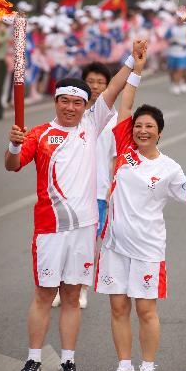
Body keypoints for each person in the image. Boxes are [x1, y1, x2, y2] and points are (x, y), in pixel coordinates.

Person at [5, 40, 146, 371]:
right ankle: (33, 358)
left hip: (84, 227)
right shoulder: (39, 135)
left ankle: (68, 360)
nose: (71, 107)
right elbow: (12, 166)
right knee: (43, 295)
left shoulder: (92, 124)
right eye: (64, 101)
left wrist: (131, 59)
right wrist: (13, 143)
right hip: (49, 228)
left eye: (77, 102)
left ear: (86, 106)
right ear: (56, 102)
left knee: (71, 296)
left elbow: (112, 89)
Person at [95, 43, 186, 371]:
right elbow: (126, 103)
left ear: (160, 131)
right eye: (138, 126)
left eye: (149, 127)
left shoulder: (170, 168)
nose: (142, 130)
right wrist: (137, 68)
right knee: (118, 309)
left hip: (147, 248)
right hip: (115, 245)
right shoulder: (125, 150)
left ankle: (147, 369)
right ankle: (125, 367)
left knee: (145, 311)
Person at [52, 61, 117, 309]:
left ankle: (81, 289)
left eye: (102, 83)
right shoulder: (69, 114)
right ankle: (57, 285)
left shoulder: (110, 117)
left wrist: (112, 186)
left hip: (98, 191)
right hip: (67, 191)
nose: (97, 87)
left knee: (87, 244)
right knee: (62, 240)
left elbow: (114, 156)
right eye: (92, 82)